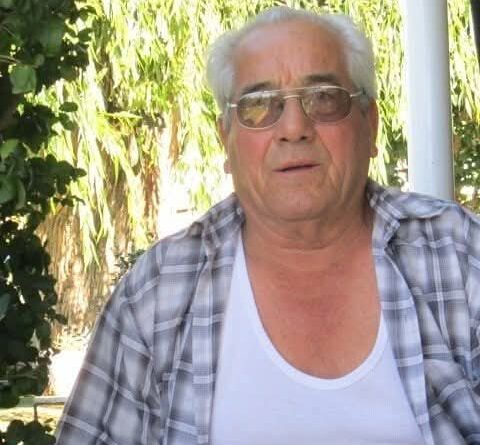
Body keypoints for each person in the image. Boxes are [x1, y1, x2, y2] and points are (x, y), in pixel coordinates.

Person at [55, 6, 480, 445]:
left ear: (369, 126)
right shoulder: (159, 290)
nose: (294, 128)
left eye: (324, 98)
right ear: (226, 140)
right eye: (258, 106)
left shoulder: (461, 254)